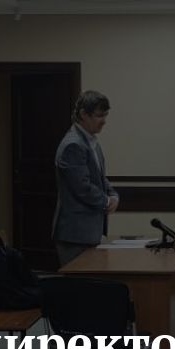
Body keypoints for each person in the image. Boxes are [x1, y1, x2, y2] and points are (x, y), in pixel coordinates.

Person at [52, 90, 118, 267]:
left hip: (89, 233)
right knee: (78, 282)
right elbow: (82, 187)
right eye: (99, 115)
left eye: (105, 115)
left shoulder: (91, 141)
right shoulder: (73, 144)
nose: (104, 121)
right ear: (83, 114)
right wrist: (106, 201)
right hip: (75, 235)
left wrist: (113, 195)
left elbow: (99, 178)